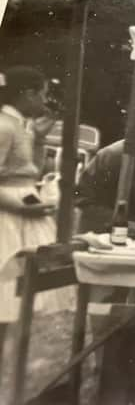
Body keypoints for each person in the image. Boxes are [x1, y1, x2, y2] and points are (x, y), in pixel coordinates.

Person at [0, 66, 76, 366]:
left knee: (16, 294)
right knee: (5, 288)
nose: (45, 102)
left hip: (24, 206)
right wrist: (18, 206)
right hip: (9, 213)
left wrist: (40, 140)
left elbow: (29, 171)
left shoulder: (23, 126)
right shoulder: (4, 125)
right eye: (42, 95)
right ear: (27, 93)